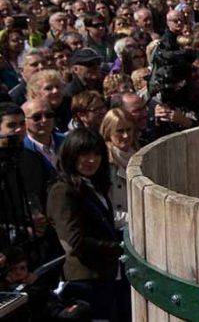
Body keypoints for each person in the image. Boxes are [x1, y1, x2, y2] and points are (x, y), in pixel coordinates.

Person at [46, 129, 129, 322]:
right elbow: (74, 242)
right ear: (71, 155)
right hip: (85, 282)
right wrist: (118, 248)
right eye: (84, 154)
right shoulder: (63, 190)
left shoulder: (93, 186)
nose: (91, 160)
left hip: (107, 278)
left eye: (97, 154)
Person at [99, 108, 137, 229]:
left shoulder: (139, 156)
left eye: (129, 129)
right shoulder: (103, 163)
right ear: (107, 132)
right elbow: (104, 210)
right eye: (120, 131)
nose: (126, 135)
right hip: (118, 228)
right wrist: (134, 219)